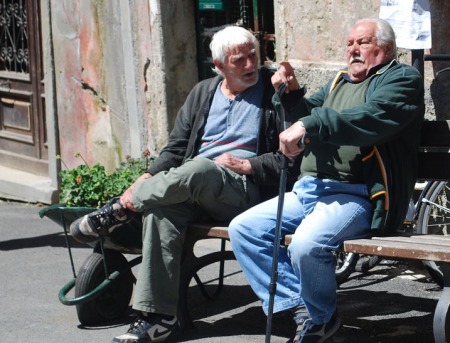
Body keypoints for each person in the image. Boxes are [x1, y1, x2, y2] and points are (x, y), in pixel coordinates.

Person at [69, 26, 299, 343]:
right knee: (160, 213)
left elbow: (292, 158)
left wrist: (248, 163)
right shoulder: (203, 92)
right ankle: (159, 318)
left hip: (244, 190)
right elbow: (176, 148)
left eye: (253, 57)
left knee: (199, 168)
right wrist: (149, 175)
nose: (249, 65)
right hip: (193, 184)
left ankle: (118, 209)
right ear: (219, 66)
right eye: (238, 60)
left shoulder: (273, 90)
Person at [228, 17, 424, 343]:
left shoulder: (401, 79)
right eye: (349, 44)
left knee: (307, 245)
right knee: (244, 230)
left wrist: (311, 125)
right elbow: (308, 111)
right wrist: (291, 95)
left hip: (359, 195)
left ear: (387, 48)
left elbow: (372, 117)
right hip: (310, 190)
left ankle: (320, 320)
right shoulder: (338, 83)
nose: (353, 50)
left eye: (362, 42)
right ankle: (302, 309)